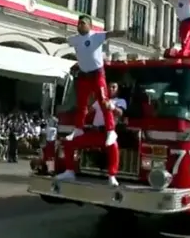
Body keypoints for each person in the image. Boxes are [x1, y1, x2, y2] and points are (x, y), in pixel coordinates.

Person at [43, 16, 127, 186]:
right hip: (84, 77)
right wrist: (50, 39)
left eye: (83, 23)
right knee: (81, 106)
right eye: (78, 23)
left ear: (89, 25)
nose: (80, 25)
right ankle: (70, 164)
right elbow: (63, 40)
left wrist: (123, 32)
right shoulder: (76, 38)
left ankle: (111, 137)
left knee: (104, 102)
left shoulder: (95, 36)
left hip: (97, 74)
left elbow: (111, 34)